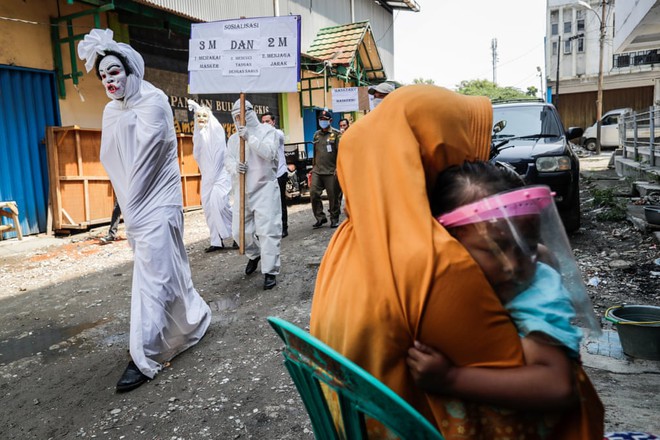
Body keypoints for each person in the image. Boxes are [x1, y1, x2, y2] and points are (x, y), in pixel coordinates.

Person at [309, 84, 601, 439]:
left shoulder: (349, 242)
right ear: (431, 151)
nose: (478, 155)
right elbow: (555, 388)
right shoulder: (439, 263)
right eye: (466, 142)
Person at [407, 161, 604, 438]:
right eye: (494, 248)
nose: (513, 265)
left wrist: (451, 379)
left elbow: (558, 385)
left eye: (527, 246)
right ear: (446, 241)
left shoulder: (536, 291)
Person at [77, 29, 211, 392]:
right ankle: (192, 320)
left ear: (131, 71)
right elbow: (114, 160)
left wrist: (131, 211)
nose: (109, 81)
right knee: (166, 271)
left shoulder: (153, 102)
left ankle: (145, 354)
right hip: (133, 203)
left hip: (157, 203)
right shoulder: (110, 111)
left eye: (115, 73)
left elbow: (148, 161)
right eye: (103, 76)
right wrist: (125, 205)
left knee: (156, 275)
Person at [225, 99, 281, 290]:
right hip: (242, 190)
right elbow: (228, 160)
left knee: (267, 230)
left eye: (241, 115)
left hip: (264, 187)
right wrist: (235, 167)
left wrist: (250, 137)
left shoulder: (268, 132)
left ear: (251, 112)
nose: (239, 119)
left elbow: (270, 153)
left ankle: (270, 271)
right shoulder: (233, 140)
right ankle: (255, 254)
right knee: (239, 232)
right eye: (235, 117)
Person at [187, 100, 234, 252]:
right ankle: (216, 241)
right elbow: (198, 154)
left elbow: (220, 154)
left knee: (221, 206)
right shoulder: (199, 134)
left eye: (204, 116)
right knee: (208, 208)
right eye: (198, 116)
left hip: (220, 175)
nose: (201, 119)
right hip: (207, 177)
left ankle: (238, 235)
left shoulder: (216, 130)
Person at [310, 109, 341, 229]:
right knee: (313, 193)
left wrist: (338, 168)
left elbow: (341, 152)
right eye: (320, 119)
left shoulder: (336, 134)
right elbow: (315, 152)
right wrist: (313, 167)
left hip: (331, 171)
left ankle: (334, 218)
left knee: (333, 197)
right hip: (317, 170)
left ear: (330, 121)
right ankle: (320, 217)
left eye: (325, 120)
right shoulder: (316, 134)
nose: (322, 121)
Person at [260, 111, 288, 238]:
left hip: (280, 173)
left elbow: (278, 135)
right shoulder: (261, 136)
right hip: (267, 174)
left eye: (268, 121)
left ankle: (284, 227)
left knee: (280, 201)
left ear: (273, 122)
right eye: (263, 122)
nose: (265, 124)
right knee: (268, 203)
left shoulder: (278, 133)